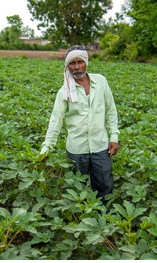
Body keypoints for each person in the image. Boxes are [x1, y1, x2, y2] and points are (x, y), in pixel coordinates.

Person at [40, 45, 120, 204]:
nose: (77, 67)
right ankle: (80, 224)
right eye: (72, 63)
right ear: (67, 66)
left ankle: (105, 221)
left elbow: (111, 111)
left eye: (80, 62)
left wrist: (114, 136)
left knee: (105, 188)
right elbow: (55, 122)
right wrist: (46, 148)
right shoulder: (64, 92)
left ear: (86, 62)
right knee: (76, 191)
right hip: (77, 150)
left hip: (101, 146)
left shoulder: (101, 82)